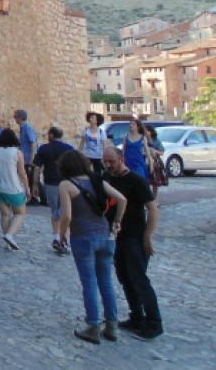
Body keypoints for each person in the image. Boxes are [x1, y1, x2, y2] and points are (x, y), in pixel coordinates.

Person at [58, 150, 128, 344]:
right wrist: (116, 222)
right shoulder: (96, 180)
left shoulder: (66, 185)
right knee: (106, 281)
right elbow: (122, 199)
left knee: (89, 282)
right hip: (105, 235)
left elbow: (67, 215)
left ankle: (93, 325)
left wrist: (61, 234)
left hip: (83, 237)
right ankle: (112, 325)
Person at [102, 146, 163, 340]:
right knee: (124, 277)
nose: (108, 164)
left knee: (139, 279)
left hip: (134, 236)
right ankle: (136, 316)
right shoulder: (107, 177)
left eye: (111, 161)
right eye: (106, 161)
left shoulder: (135, 180)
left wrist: (147, 236)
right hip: (117, 236)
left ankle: (154, 322)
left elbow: (153, 209)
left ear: (121, 159)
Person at [33, 126, 75, 253]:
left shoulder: (43, 149)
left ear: (51, 135)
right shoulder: (68, 149)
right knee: (65, 212)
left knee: (54, 211)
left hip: (50, 183)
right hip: (66, 183)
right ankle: (64, 238)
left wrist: (35, 184)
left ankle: (57, 237)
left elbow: (37, 168)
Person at [0, 128, 29, 250]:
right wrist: (27, 188)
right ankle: (10, 235)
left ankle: (8, 241)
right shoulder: (17, 153)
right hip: (14, 188)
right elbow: (22, 173)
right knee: (20, 213)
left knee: (5, 215)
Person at [14, 109, 40, 205]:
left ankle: (34, 198)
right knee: (29, 177)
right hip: (25, 156)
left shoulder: (27, 127)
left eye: (15, 117)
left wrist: (32, 158)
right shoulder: (22, 127)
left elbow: (33, 142)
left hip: (28, 157)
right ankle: (33, 197)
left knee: (31, 177)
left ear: (20, 117)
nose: (15, 119)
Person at [145, 125, 167, 199]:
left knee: (155, 181)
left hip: (155, 162)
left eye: (147, 130)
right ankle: (147, 198)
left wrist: (155, 151)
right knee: (146, 181)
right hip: (145, 161)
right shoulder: (143, 140)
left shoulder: (156, 141)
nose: (145, 132)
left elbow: (162, 151)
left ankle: (154, 198)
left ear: (150, 132)